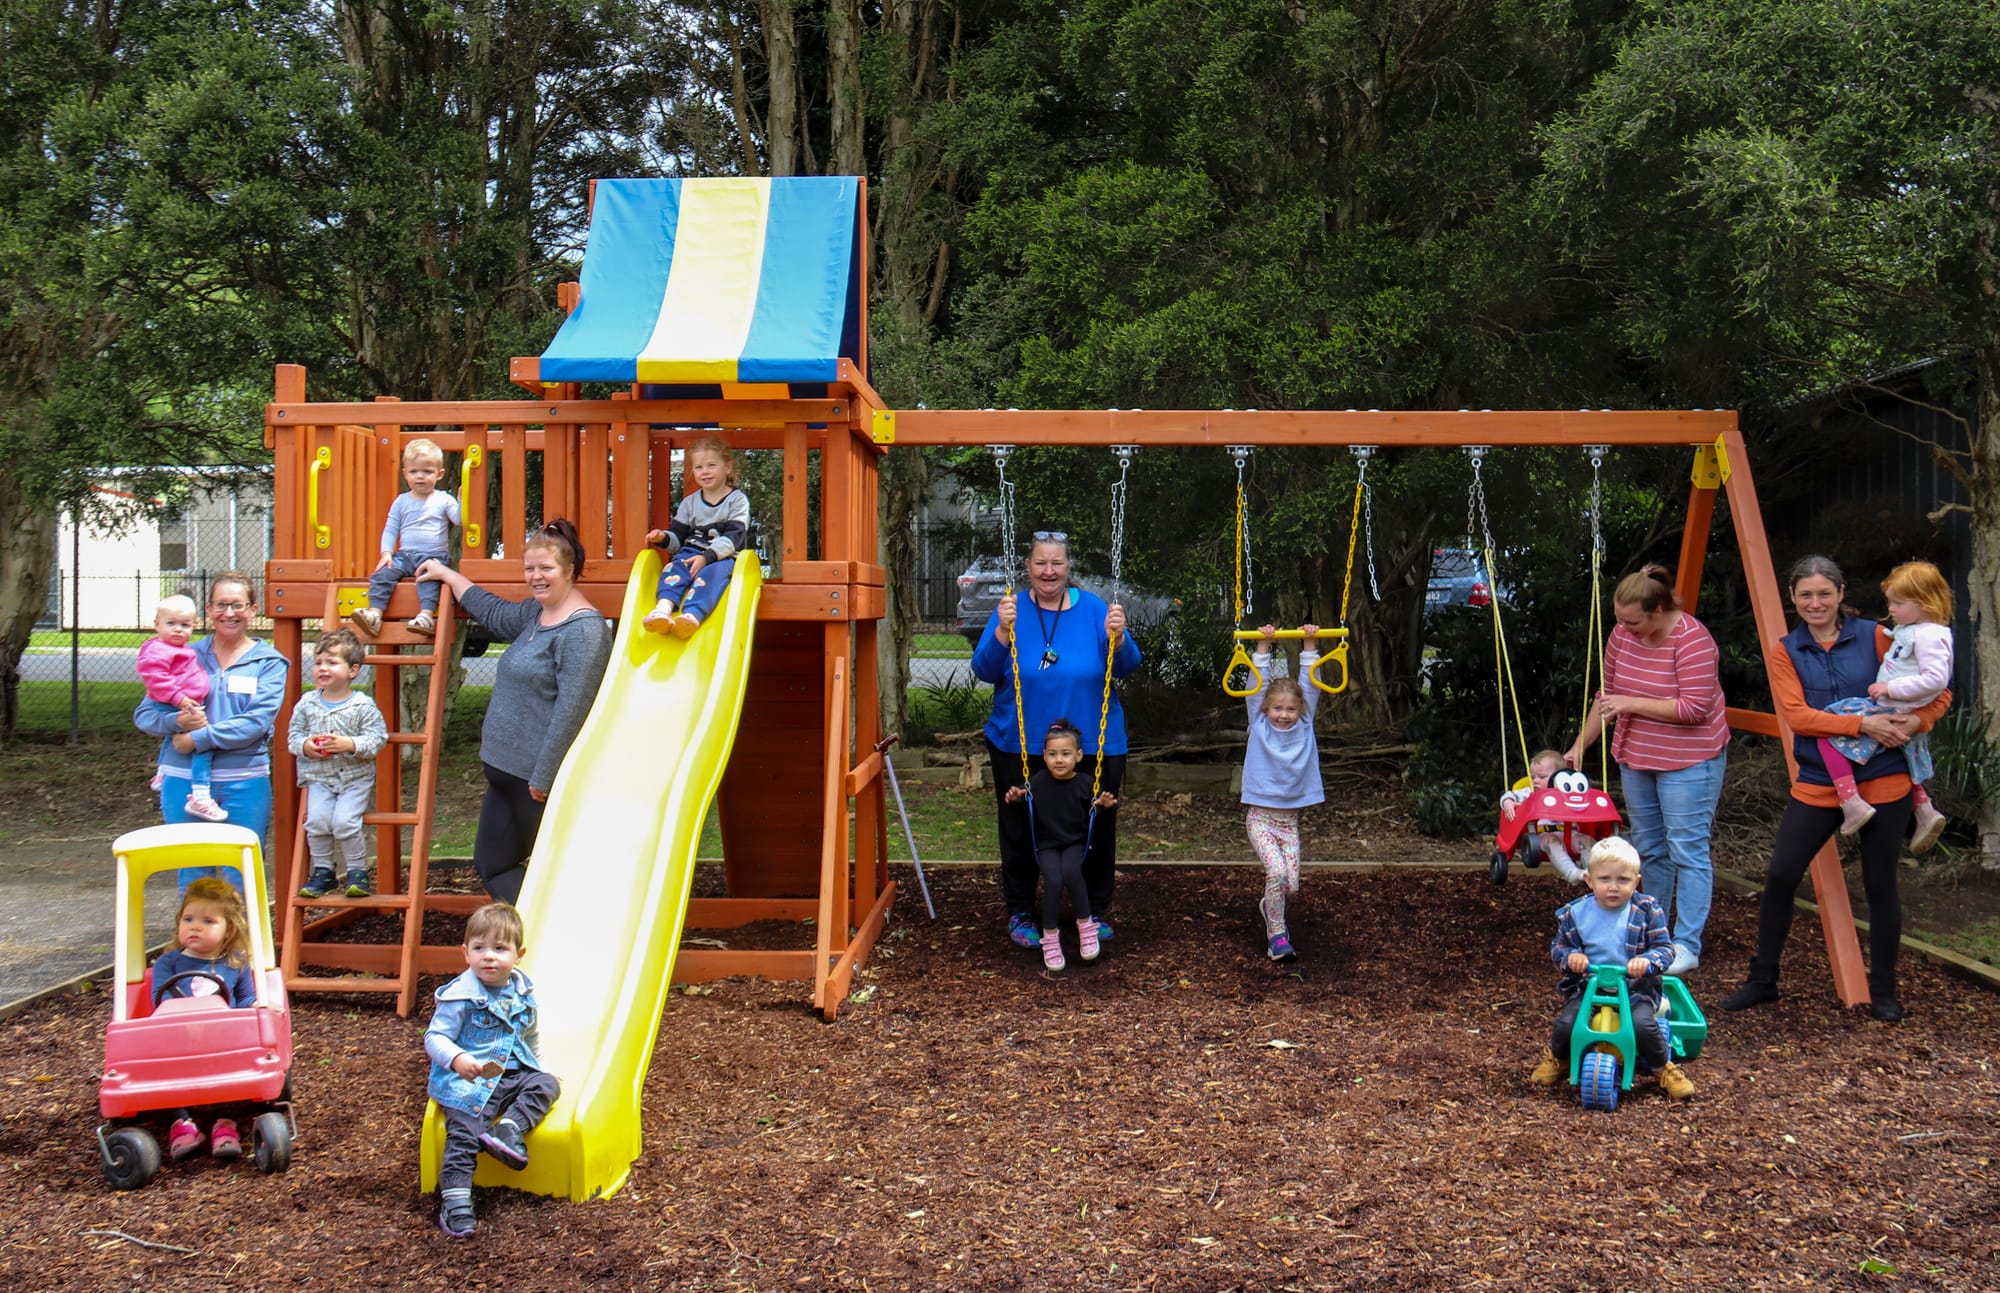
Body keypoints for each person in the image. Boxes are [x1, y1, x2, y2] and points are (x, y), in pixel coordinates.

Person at [1721, 555, 1951, 1024]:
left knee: (1880, 883)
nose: (1815, 603)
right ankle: (1763, 980)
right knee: (1781, 875)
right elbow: (1798, 717)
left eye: (1824, 593)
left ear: (1841, 593)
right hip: (1821, 780)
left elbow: (1939, 692)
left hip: (1885, 775)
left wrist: (1916, 722)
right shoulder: (1786, 651)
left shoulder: (1878, 635)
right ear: (1792, 597)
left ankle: (1883, 991)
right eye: (1805, 594)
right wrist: (1863, 723)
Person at [414, 519, 612, 904]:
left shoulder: (583, 631)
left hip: (534, 783)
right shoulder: (536, 615)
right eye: (529, 568)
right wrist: (448, 575)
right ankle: (532, 933)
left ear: (569, 570)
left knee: (557, 869)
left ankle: (562, 930)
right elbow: (492, 611)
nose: (535, 577)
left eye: (546, 568)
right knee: (493, 865)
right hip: (504, 774)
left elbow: (573, 711)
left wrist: (544, 777)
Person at [970, 532, 1142, 951]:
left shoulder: (1095, 609)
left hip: (1093, 742)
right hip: (1020, 740)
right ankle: (1021, 911)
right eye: (1040, 563)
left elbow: (1127, 665)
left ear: (1069, 567)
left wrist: (1120, 637)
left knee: (1095, 825)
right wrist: (1002, 631)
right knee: (1022, 827)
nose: (1049, 571)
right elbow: (985, 670)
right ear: (1028, 567)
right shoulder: (1011, 609)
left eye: (1057, 563)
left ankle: (1093, 909)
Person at [1563, 564, 1727, 977]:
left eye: (1632, 622)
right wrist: (1581, 745)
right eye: (1620, 621)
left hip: (1690, 761)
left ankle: (1686, 944)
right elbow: (1608, 696)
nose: (1624, 630)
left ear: (1658, 611)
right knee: (1650, 849)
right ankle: (1654, 936)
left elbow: (1694, 709)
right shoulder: (1622, 636)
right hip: (1638, 757)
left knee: (1687, 851)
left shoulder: (1692, 640)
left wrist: (1631, 703)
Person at [132, 574, 289, 890]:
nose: (229, 613)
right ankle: (194, 927)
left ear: (253, 610)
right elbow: (145, 715)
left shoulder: (269, 663)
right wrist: (178, 722)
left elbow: (255, 722)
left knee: (242, 874)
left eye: (238, 605)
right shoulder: (181, 654)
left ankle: (241, 926)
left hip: (244, 780)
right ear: (208, 609)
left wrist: (196, 739)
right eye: (221, 605)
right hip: (183, 780)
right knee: (193, 875)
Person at [426, 901, 560, 1237]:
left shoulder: (523, 993)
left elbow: (530, 1037)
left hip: (512, 1074)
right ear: (465, 953)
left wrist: (539, 1069)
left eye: (499, 948)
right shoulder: (460, 996)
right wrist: (457, 1058)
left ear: (518, 954)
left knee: (547, 1085)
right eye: (479, 948)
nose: (488, 956)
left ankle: (508, 1128)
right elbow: (435, 1037)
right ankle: (456, 1199)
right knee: (464, 1133)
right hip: (474, 1078)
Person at [1527, 838, 1694, 1101]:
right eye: (1604, 879)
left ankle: (1662, 1068)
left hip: (1635, 988)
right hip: (1589, 987)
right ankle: (1560, 1059)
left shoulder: (1647, 911)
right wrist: (1572, 958)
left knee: (1643, 1026)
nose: (1613, 887)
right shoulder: (1576, 913)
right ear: (1589, 880)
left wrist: (1647, 961)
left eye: (1623, 880)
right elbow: (1559, 947)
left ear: (1636, 882)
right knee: (1567, 1023)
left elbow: (1665, 948)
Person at [1815, 560, 1954, 850]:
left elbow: (1936, 680)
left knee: (1828, 731)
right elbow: (1903, 649)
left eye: (1898, 603)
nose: (1891, 609)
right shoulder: (1914, 629)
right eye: (1890, 602)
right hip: (1897, 708)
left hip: (1892, 705)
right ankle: (1924, 808)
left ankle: (1851, 802)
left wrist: (1890, 688)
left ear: (1925, 603)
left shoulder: (1930, 636)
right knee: (1905, 750)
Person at [152, 878, 257, 1159]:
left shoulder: (235, 963)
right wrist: (187, 1014)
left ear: (228, 929)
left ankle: (225, 1123)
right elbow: (159, 998)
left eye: (208, 921)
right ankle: (181, 1123)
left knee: (238, 1069)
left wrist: (256, 1005)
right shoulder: (168, 963)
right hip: (178, 1039)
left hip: (223, 1040)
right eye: (188, 919)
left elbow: (246, 998)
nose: (195, 927)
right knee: (159, 1071)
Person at [1003, 719, 1118, 971]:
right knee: (1053, 880)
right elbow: (1023, 794)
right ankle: (1051, 936)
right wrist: (1015, 795)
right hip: (1046, 845)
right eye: (1053, 754)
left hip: (1075, 843)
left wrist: (1105, 804)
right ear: (1044, 756)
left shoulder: (1086, 782)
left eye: (1066, 754)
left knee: (1072, 872)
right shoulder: (1039, 781)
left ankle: (1086, 927)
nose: (1059, 760)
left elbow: (1098, 805)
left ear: (1078, 756)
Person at [1240, 624, 1326, 963]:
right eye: (1277, 708)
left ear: (1300, 710)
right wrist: (1262, 647)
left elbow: (1311, 686)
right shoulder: (1259, 725)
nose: (1284, 715)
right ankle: (1277, 936)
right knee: (1275, 873)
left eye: (1290, 709)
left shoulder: (1305, 725)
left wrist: (1310, 643)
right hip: (1260, 818)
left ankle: (1270, 906)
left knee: (1291, 885)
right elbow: (1255, 688)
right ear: (1265, 709)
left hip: (1289, 822)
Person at [288, 629, 388, 899]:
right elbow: (293, 737)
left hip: (354, 778)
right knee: (317, 822)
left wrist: (350, 744)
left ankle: (357, 872)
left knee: (345, 823)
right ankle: (323, 872)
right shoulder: (307, 704)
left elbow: (377, 738)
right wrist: (307, 746)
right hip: (319, 778)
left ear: (353, 670)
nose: (322, 668)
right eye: (318, 662)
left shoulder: (362, 705)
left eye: (332, 663)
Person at [642, 435, 751, 638]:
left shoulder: (737, 500)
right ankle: (663, 608)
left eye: (711, 465)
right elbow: (678, 539)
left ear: (727, 468)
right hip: (691, 553)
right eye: (699, 467)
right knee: (674, 567)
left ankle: (692, 615)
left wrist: (706, 558)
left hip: (722, 557)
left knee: (712, 575)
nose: (705, 471)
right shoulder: (689, 503)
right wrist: (663, 537)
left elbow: (734, 538)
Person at [352, 437, 460, 638]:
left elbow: (459, 519)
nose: (420, 476)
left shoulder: (444, 499)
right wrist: (386, 553)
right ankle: (375, 614)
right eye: (414, 471)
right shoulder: (401, 501)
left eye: (427, 471)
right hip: (405, 555)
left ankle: (426, 616)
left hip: (433, 556)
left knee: (428, 579)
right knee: (382, 574)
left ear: (440, 474)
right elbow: (391, 529)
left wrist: (463, 502)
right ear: (405, 474)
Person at [137, 594, 227, 823]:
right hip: (176, 702)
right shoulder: (158, 650)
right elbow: (156, 680)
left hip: (183, 701)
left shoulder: (180, 649)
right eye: (171, 624)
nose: (178, 629)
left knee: (178, 734)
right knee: (202, 746)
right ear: (157, 624)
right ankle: (201, 795)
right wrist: (179, 700)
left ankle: (162, 772)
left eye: (185, 625)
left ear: (194, 626)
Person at [1500, 749, 1585, 884]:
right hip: (1543, 836)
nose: (1535, 781)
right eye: (1533, 777)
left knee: (1587, 841)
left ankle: (1593, 871)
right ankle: (1572, 873)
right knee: (1552, 841)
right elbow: (1510, 795)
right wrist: (1508, 802)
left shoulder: (1569, 793)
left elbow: (1585, 804)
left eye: (1541, 777)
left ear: (1558, 776)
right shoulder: (1530, 793)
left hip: (1570, 834)